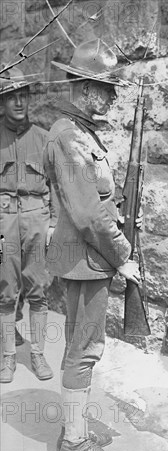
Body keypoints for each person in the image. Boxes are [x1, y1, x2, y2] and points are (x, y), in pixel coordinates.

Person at [44, 38, 142, 451]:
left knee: (78, 347)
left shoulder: (78, 133)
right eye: (107, 91)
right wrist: (123, 256)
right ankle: (75, 443)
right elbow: (87, 214)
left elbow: (95, 201)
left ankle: (73, 429)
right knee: (84, 350)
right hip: (87, 260)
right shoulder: (70, 137)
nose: (111, 99)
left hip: (85, 257)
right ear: (84, 89)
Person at [0, 67, 57, 383]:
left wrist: (54, 225)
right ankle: (8, 358)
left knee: (39, 289)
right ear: (3, 102)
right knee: (5, 290)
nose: (19, 103)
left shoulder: (44, 139)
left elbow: (58, 185)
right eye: (13, 97)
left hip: (38, 221)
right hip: (3, 223)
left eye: (23, 96)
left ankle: (37, 354)